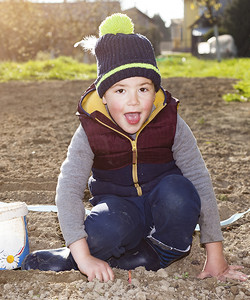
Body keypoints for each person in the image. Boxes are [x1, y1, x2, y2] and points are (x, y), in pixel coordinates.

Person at [21, 13, 248, 283]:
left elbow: (200, 179)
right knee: (102, 231)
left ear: (155, 91)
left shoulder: (171, 123)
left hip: (163, 207)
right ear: (103, 96)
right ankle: (77, 257)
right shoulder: (90, 129)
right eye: (120, 91)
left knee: (181, 193)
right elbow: (68, 191)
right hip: (119, 209)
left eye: (143, 88)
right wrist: (83, 256)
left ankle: (159, 253)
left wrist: (216, 254)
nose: (133, 101)